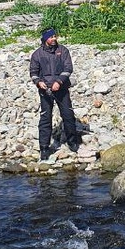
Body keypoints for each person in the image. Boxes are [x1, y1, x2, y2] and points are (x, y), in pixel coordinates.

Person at [29, 27, 79, 160]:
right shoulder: (37, 54)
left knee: (68, 115)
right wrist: (39, 82)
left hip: (61, 89)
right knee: (45, 118)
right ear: (45, 39)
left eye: (55, 36)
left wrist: (59, 81)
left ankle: (72, 142)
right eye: (51, 37)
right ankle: (44, 148)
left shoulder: (63, 51)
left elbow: (68, 68)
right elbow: (33, 73)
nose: (54, 39)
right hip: (45, 91)